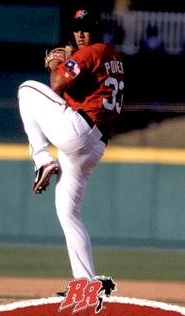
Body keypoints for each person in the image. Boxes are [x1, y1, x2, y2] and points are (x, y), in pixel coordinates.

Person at [18, 9, 124, 283]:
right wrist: (69, 64)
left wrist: (55, 63)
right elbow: (80, 89)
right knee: (68, 212)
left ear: (96, 29)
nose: (79, 33)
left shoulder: (89, 52)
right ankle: (87, 284)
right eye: (76, 27)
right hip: (94, 145)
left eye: (86, 27)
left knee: (27, 90)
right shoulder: (112, 56)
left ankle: (41, 159)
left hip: (79, 131)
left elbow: (55, 84)